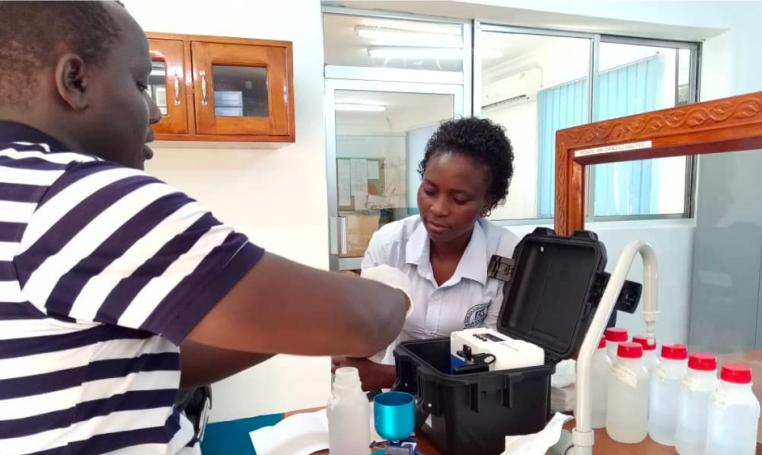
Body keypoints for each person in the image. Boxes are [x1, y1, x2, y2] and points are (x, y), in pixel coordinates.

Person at [0, 1, 409, 454]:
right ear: (74, 81)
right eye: (141, 85)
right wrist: (390, 289)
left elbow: (145, 363)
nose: (154, 112)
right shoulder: (78, 198)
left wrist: (295, 321)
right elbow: (365, 322)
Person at [332, 117, 519, 391]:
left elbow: (495, 357)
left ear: (486, 203)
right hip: (396, 400)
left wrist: (389, 374)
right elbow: (368, 336)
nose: (438, 208)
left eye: (459, 199)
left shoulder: (506, 255)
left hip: (470, 397)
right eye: (429, 191)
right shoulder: (390, 244)